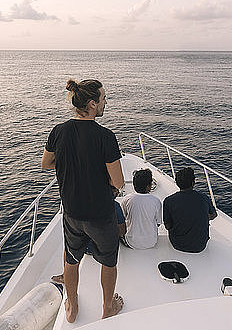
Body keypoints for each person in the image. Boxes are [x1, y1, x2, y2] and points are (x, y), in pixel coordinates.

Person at [41, 79, 125, 322]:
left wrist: (70, 164)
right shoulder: (106, 137)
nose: (105, 103)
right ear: (91, 104)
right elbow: (118, 182)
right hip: (100, 214)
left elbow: (46, 164)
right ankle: (108, 307)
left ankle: (72, 308)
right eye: (103, 99)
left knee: (71, 258)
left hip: (72, 213)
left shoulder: (58, 131)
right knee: (109, 262)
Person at [51, 188, 127, 284]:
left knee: (69, 248)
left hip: (84, 249)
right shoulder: (114, 206)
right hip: (103, 250)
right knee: (110, 260)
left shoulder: (85, 206)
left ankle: (64, 276)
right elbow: (122, 231)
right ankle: (108, 298)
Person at [163, 167, 217, 253]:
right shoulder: (204, 198)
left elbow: (167, 226)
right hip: (200, 246)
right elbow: (214, 215)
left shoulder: (169, 201)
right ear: (193, 183)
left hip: (177, 244)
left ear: (177, 183)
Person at [120, 169, 162, 249]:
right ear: (148, 186)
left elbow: (123, 219)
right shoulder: (156, 201)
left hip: (131, 242)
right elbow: (158, 223)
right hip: (151, 242)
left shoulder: (126, 199)